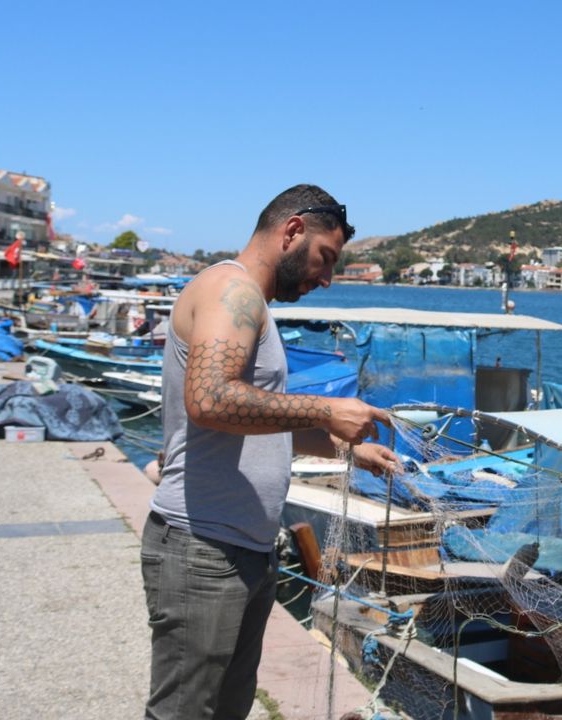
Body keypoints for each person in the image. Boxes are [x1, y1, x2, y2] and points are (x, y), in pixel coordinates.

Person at [143, 185, 400, 720]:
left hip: (243, 548)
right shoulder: (229, 291)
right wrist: (326, 409)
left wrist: (346, 450)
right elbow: (211, 400)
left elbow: (258, 419)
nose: (326, 278)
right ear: (292, 231)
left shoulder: (251, 302)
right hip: (203, 547)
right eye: (325, 257)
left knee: (226, 709)